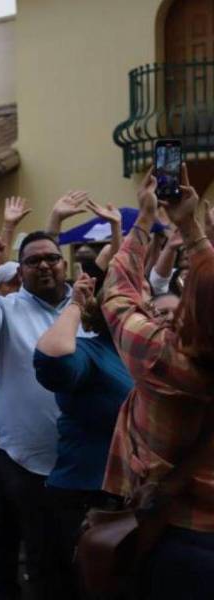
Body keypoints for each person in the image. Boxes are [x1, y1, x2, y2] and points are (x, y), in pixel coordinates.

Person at [101, 166, 214, 599]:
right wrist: (192, 225)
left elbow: (117, 293)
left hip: (177, 540)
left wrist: (145, 221)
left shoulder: (164, 359)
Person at [0, 222, 85, 599]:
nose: (44, 265)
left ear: (64, 264)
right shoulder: (3, 309)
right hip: (27, 463)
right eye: (33, 261)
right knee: (44, 560)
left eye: (52, 258)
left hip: (85, 458)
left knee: (86, 559)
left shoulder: (86, 307)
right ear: (21, 270)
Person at [33, 273, 133, 599]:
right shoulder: (93, 352)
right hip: (87, 496)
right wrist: (77, 303)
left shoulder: (146, 356)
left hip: (140, 495)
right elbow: (53, 357)